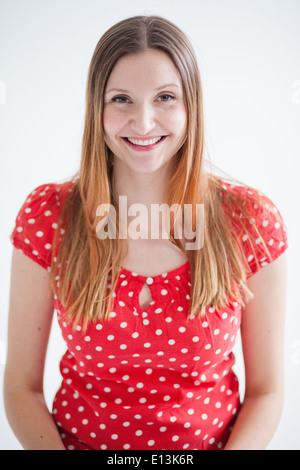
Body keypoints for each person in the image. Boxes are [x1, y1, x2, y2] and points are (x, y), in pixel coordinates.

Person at [4, 15, 288, 451]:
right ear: (96, 108)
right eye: (121, 99)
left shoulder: (250, 221)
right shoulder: (50, 217)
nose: (142, 121)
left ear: (190, 106)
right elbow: (21, 387)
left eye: (165, 97)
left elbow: (267, 391)